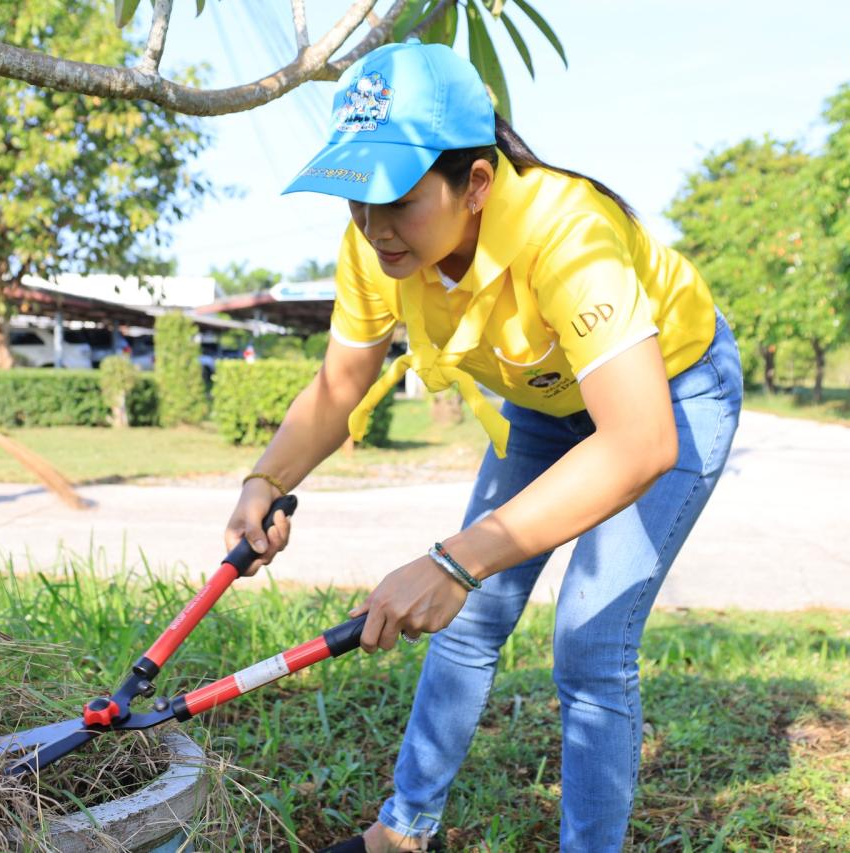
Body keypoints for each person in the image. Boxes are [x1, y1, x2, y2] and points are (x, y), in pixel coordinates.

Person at [223, 43, 742, 852]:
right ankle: (403, 831)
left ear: (476, 184)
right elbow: (339, 385)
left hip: (669, 392)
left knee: (590, 641)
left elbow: (638, 441)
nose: (373, 224)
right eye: (356, 194)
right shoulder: (375, 247)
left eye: (395, 193)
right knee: (470, 620)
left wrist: (454, 561)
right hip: (545, 396)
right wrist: (265, 479)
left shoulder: (568, 234)